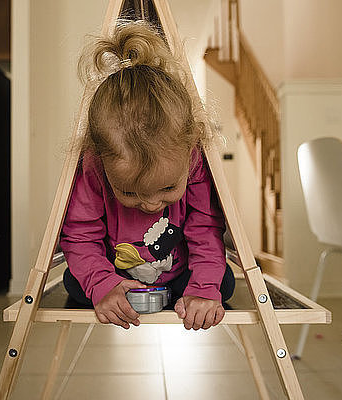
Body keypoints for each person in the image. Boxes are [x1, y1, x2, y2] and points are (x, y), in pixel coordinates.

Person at [60, 21, 235, 331]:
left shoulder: (192, 160)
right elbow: (79, 234)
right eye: (130, 193)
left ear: (189, 151)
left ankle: (187, 294)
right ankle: (112, 290)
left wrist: (203, 289)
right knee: (75, 280)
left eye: (167, 188)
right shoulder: (93, 168)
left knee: (224, 282)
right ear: (99, 161)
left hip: (181, 272)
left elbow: (206, 228)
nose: (152, 204)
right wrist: (102, 284)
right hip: (114, 273)